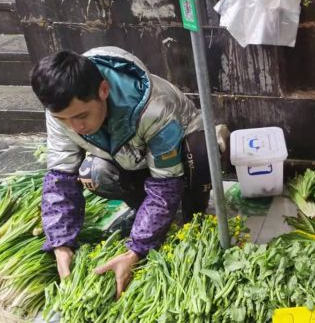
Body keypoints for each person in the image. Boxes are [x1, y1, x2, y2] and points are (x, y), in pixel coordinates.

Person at [30, 47, 226, 297]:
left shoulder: (153, 108)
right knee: (93, 172)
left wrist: (136, 251)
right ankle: (144, 213)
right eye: (63, 120)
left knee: (200, 155)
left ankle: (192, 208)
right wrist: (61, 243)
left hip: (181, 151)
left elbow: (166, 182)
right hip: (129, 157)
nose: (75, 127)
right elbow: (60, 178)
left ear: (103, 90)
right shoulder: (62, 111)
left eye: (81, 116)